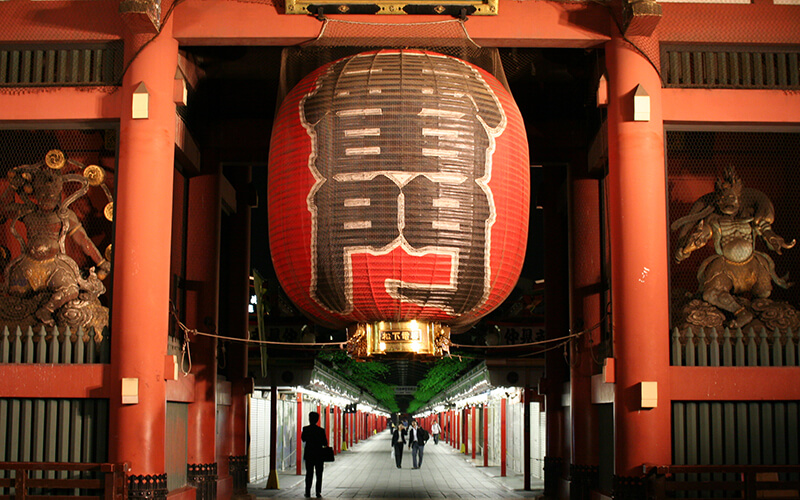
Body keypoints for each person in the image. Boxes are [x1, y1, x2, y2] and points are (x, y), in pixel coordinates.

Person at [301, 411, 328, 498]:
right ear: (317, 420)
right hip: (319, 455)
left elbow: (303, 439)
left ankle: (307, 491)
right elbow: (325, 443)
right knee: (319, 474)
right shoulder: (321, 430)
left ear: (309, 419)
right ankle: (318, 492)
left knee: (309, 473)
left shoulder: (305, 429)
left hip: (309, 454)